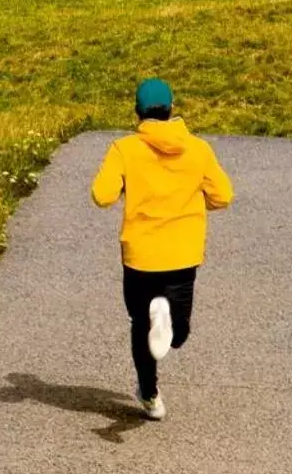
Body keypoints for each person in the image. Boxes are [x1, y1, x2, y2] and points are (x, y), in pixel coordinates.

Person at [90, 78, 234, 420]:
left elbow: (102, 195)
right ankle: (166, 329)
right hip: (182, 254)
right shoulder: (198, 149)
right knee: (178, 331)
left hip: (140, 256)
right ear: (172, 109)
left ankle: (150, 394)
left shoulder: (124, 149)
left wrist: (126, 184)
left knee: (140, 323)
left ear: (138, 112)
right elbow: (223, 196)